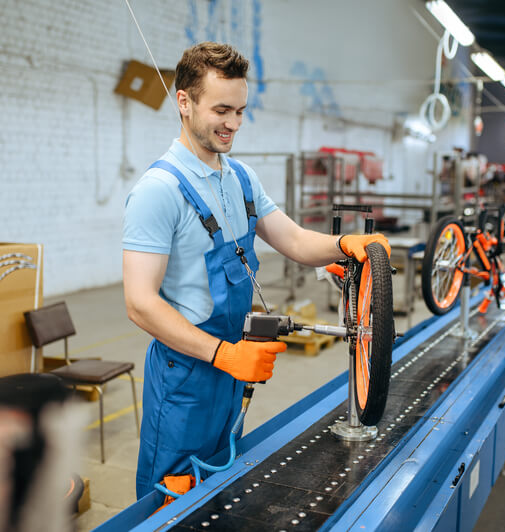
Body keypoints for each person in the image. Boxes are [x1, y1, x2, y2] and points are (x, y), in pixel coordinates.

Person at [122, 42, 390, 499]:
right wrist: (223, 355)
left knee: (218, 487)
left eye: (241, 111)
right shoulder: (158, 191)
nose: (233, 124)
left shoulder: (240, 179)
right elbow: (140, 303)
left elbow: (293, 240)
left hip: (233, 369)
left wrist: (344, 243)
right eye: (222, 110)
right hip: (186, 374)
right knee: (168, 499)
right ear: (183, 102)